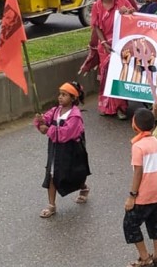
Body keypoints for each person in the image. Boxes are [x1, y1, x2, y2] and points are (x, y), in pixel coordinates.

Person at [33, 81, 91, 218]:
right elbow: (46, 121)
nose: (60, 97)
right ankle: (51, 205)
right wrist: (40, 121)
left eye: (64, 95)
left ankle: (83, 187)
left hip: (71, 150)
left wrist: (49, 130)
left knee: (74, 174)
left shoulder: (75, 116)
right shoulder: (55, 111)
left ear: (73, 98)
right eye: (60, 94)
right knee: (52, 173)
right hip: (55, 149)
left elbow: (66, 133)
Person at [125, 108, 157, 267]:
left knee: (130, 223)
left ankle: (144, 257)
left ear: (135, 125)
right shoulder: (155, 141)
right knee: (154, 221)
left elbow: (138, 172)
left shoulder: (138, 146)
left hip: (144, 193)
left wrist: (132, 195)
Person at [91, 0, 134, 119]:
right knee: (106, 76)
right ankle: (106, 106)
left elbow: (134, 18)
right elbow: (96, 26)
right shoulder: (97, 6)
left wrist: (127, 13)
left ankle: (121, 107)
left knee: (119, 75)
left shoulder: (122, 2)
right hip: (105, 46)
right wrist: (103, 42)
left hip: (121, 44)